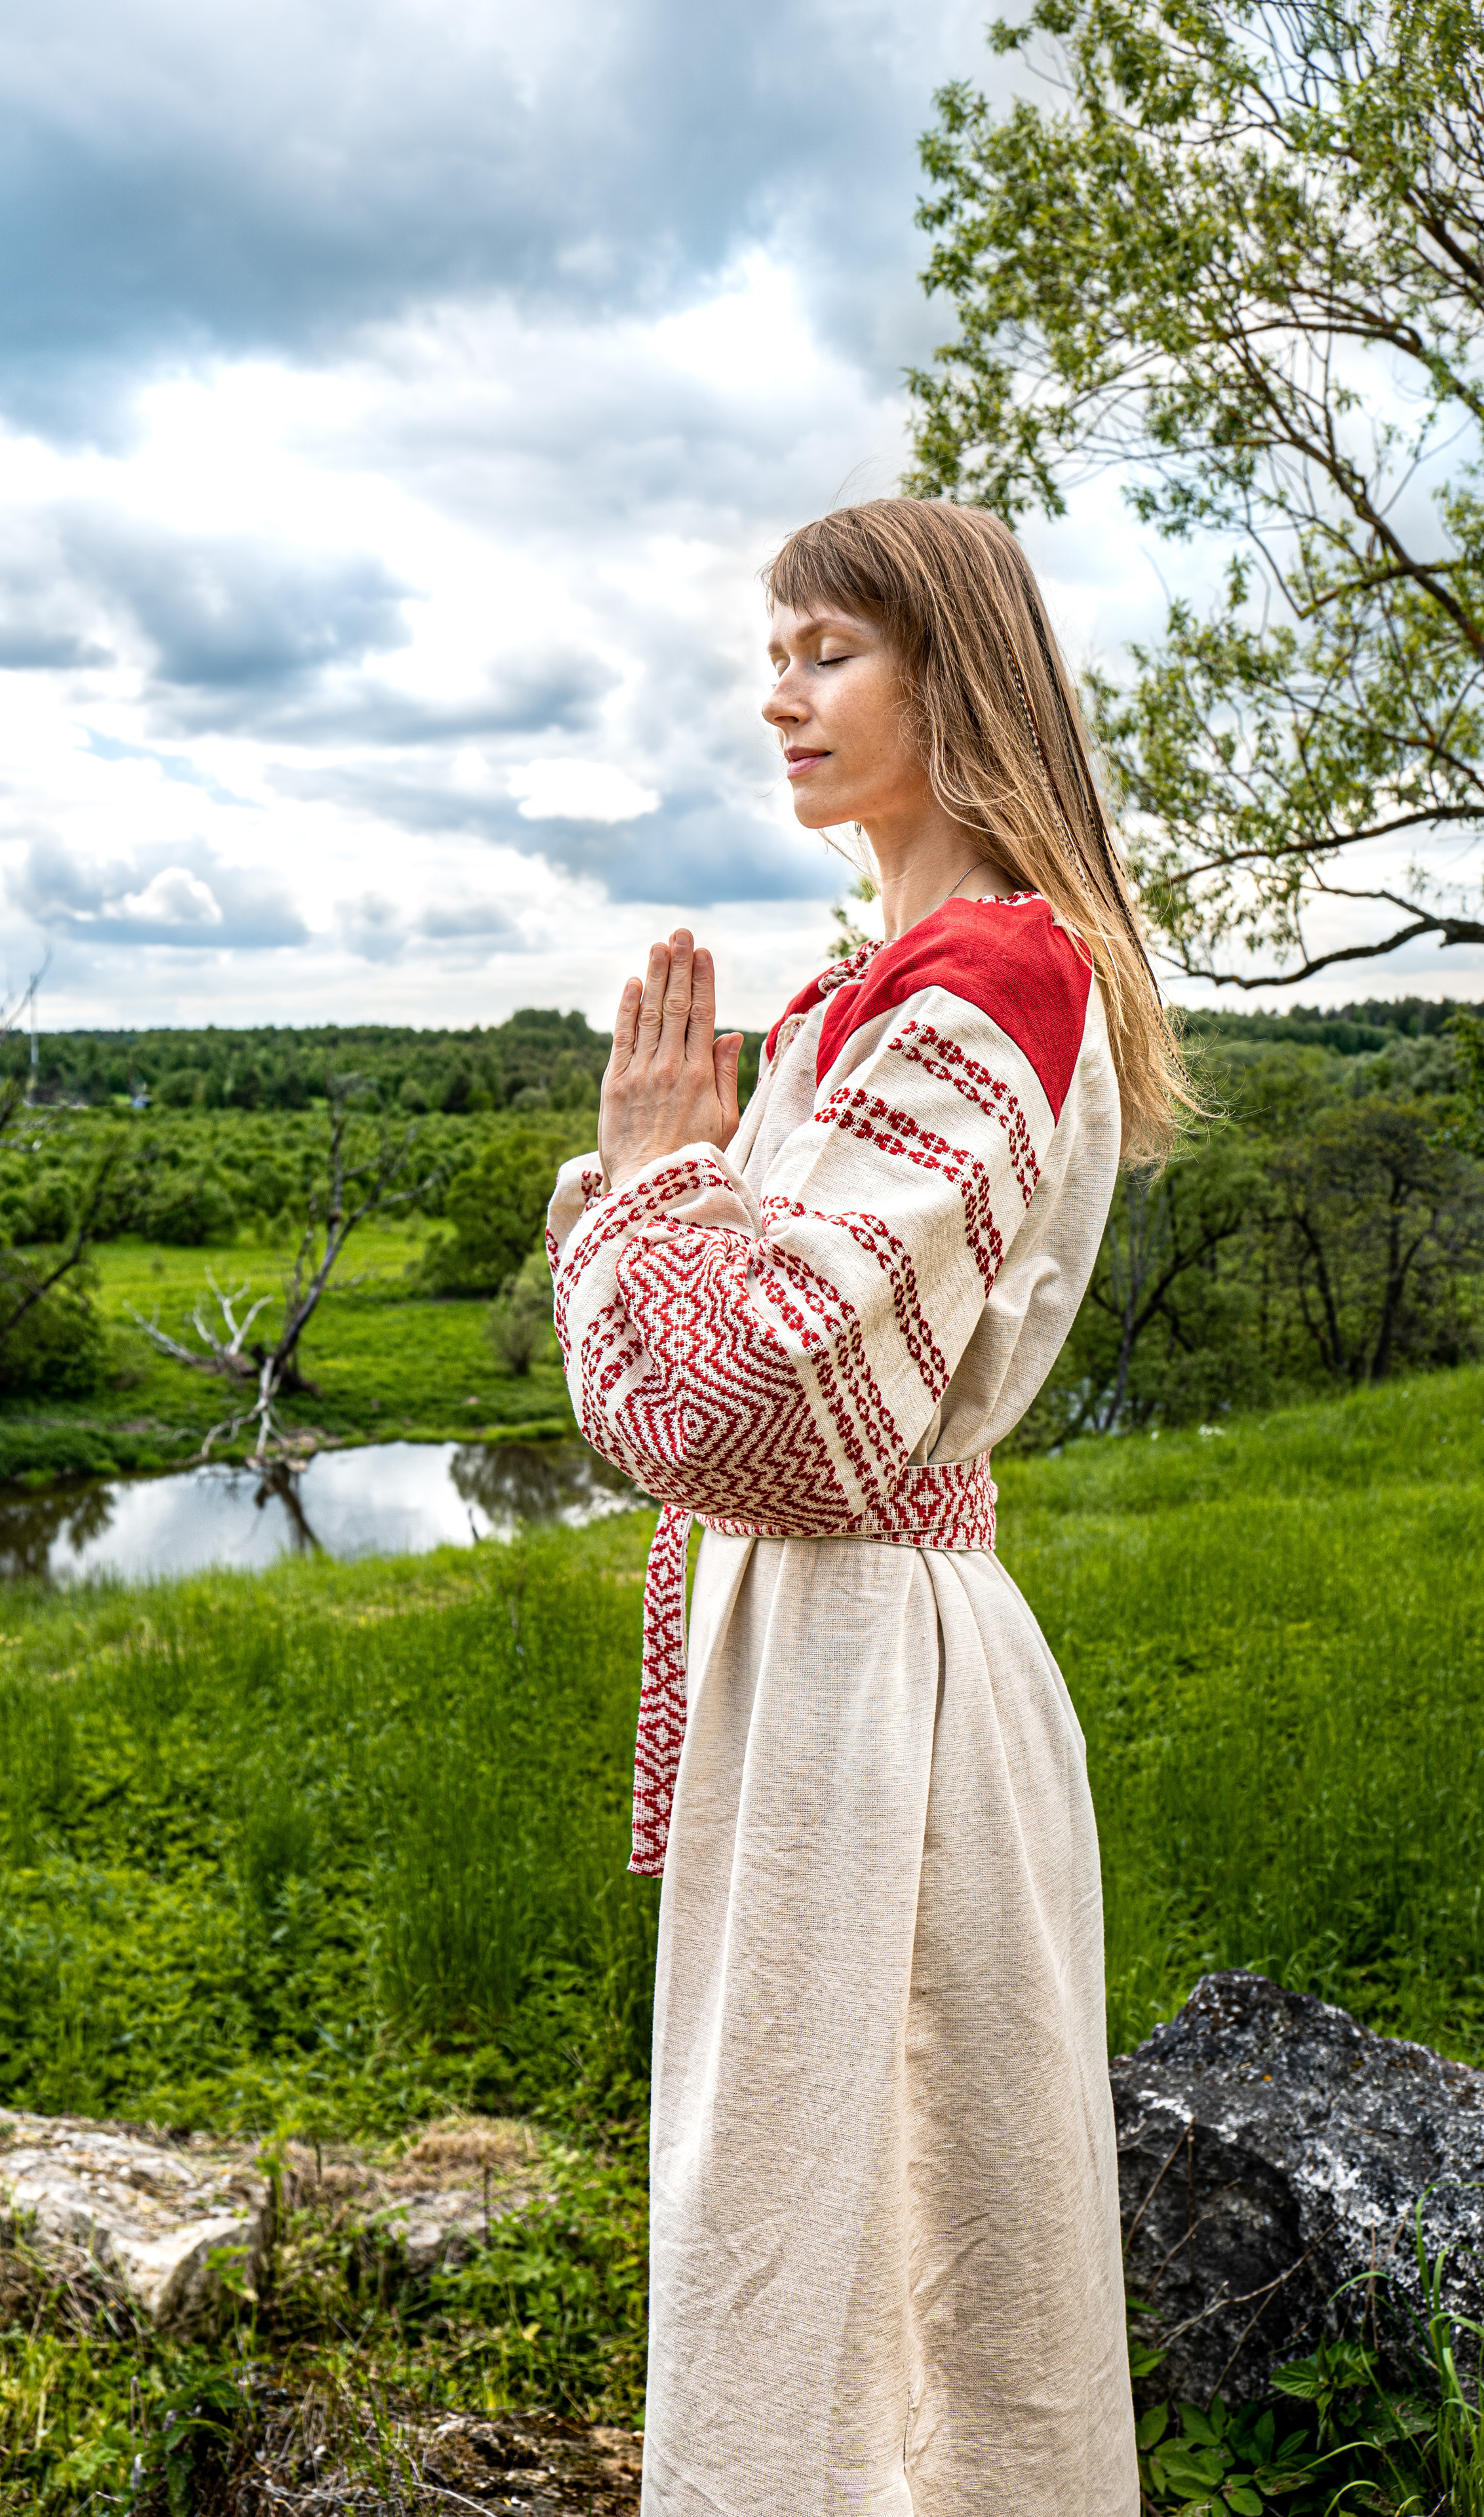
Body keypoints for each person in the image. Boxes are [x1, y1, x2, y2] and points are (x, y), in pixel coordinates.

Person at [546, 498, 1184, 2516]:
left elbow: (754, 1400)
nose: (779, 693)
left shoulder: (994, 974)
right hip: (806, 1655)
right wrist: (673, 1210)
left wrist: (654, 1174)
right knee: (812, 2214)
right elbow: (695, 1391)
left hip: (871, 1675)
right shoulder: (872, 992)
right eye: (778, 649)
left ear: (954, 674)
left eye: (829, 649)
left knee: (896, 2227)